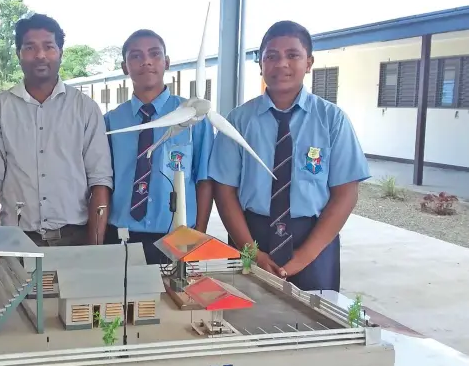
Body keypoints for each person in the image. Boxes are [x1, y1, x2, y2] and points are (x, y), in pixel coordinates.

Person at [209, 20, 370, 292]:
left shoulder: (332, 120)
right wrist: (251, 252)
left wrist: (303, 258)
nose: (281, 64)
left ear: (309, 62)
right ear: (260, 64)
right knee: (247, 320)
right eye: (271, 56)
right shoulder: (238, 121)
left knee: (315, 326)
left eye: (292, 55)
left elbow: (346, 193)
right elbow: (224, 191)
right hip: (251, 236)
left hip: (313, 241)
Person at [0, 13, 113, 255]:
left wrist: (95, 249)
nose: (40, 55)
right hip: (16, 241)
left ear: (60, 52)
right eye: (30, 47)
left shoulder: (85, 108)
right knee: (17, 295)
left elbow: (99, 181)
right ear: (19, 53)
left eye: (48, 47)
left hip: (75, 238)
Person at [104, 29, 214, 264]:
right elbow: (103, 181)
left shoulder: (192, 116)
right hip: (121, 235)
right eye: (136, 56)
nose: (146, 61)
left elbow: (204, 179)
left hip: (177, 234)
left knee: (175, 299)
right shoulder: (111, 121)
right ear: (125, 67)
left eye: (154, 54)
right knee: (124, 300)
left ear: (166, 62)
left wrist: (198, 235)